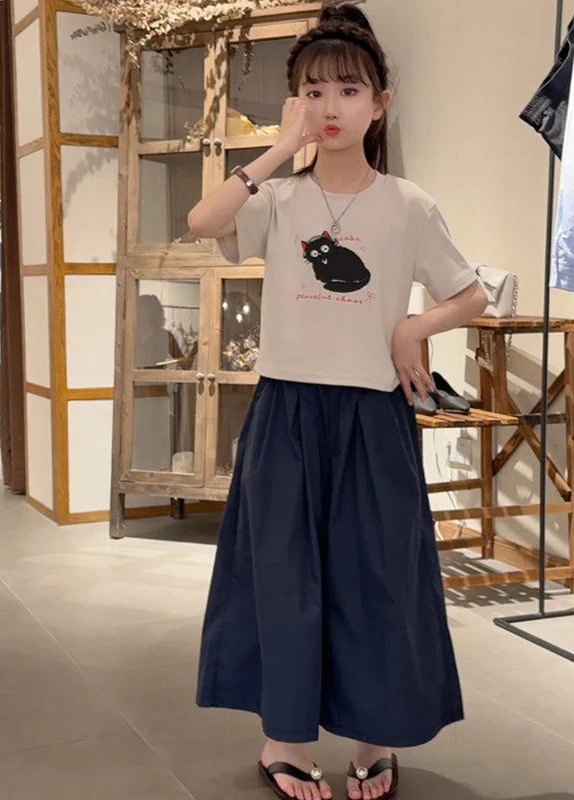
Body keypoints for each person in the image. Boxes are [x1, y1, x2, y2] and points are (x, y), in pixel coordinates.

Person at [188, 6, 487, 800]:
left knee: (377, 581)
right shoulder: (279, 199)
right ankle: (283, 743)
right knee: (283, 581)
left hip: (372, 418)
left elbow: (471, 293)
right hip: (285, 415)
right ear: (296, 102)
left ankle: (372, 741)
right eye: (313, 91)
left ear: (379, 103)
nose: (330, 107)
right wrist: (276, 149)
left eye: (348, 90)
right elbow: (203, 220)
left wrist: (412, 328)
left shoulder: (409, 204)